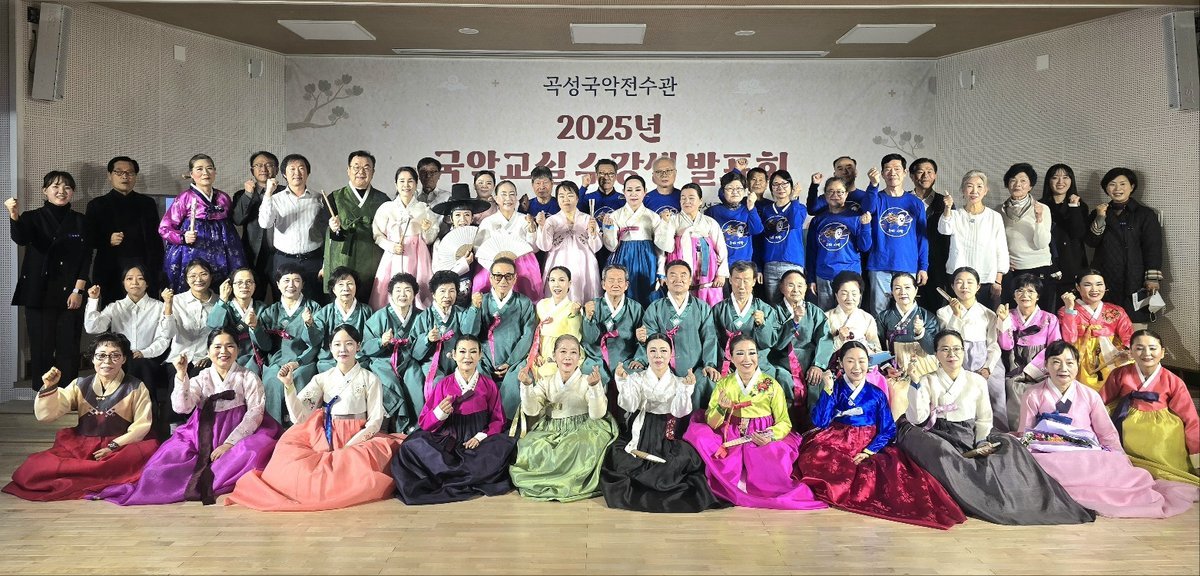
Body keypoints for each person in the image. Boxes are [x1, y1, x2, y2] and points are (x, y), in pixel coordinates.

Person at [896, 330, 1095, 525]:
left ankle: (1031, 501)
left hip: (970, 432)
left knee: (1012, 446)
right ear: (936, 354)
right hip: (939, 433)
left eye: (957, 349)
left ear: (964, 352)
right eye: (945, 349)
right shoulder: (927, 380)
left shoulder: (976, 380)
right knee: (943, 453)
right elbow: (917, 418)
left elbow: (984, 418)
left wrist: (981, 441)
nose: (951, 354)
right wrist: (915, 383)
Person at [92, 328, 282, 505]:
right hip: (200, 432)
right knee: (163, 463)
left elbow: (255, 412)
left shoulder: (248, 377)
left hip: (237, 430)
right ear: (208, 351)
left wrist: (229, 444)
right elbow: (182, 407)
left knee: (253, 453)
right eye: (217, 347)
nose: (223, 351)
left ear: (238, 350)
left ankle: (218, 476)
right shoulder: (201, 378)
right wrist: (182, 375)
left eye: (229, 346)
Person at [226, 324, 404, 511]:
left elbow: (375, 421)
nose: (343, 349)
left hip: (358, 436)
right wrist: (289, 386)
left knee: (354, 472)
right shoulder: (322, 378)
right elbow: (300, 417)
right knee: (299, 471)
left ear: (358, 346)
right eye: (337, 344)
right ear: (330, 347)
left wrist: (351, 446)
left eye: (349, 344)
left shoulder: (370, 379)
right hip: (325, 436)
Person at [794, 341, 966, 530]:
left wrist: (869, 451)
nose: (857, 367)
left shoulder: (876, 394)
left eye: (861, 361)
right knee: (818, 458)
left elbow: (888, 429)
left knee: (890, 474)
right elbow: (821, 421)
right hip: (838, 438)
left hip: (868, 441)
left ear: (868, 363)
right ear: (841, 363)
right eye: (850, 361)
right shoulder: (834, 388)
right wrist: (827, 389)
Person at [1017, 340, 1197, 517]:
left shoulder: (1090, 395)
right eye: (1056, 362)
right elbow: (1026, 432)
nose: (1063, 368)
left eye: (1070, 363)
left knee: (1117, 471)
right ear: (1046, 365)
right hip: (1049, 453)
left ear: (1078, 365)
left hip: (1086, 452)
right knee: (1038, 467)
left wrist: (1119, 456)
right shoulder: (1033, 394)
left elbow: (1106, 432)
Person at [2, 333, 157, 501]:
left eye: (115, 356)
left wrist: (113, 446)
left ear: (124, 359)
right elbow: (48, 414)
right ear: (93, 359)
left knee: (148, 458)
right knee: (34, 467)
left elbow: (141, 425)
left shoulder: (136, 387)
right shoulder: (80, 384)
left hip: (121, 446)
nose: (107, 361)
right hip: (82, 446)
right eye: (101, 355)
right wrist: (49, 387)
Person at [682, 335, 826, 511]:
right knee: (701, 436)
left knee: (774, 453)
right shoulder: (724, 384)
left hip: (761, 433)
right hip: (731, 433)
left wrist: (770, 435)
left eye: (751, 353)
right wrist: (721, 408)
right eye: (740, 353)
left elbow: (784, 422)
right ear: (731, 357)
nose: (747, 359)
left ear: (758, 355)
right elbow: (712, 423)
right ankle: (730, 486)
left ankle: (763, 488)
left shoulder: (771, 385)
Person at [600, 334, 725, 513]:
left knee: (679, 460)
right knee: (619, 458)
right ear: (646, 353)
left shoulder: (679, 381)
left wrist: (685, 390)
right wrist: (622, 382)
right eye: (653, 351)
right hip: (642, 431)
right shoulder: (636, 379)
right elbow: (630, 406)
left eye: (663, 351)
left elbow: (680, 412)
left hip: (668, 432)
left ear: (671, 353)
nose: (658, 356)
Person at [390, 335, 517, 504]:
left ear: (480, 355)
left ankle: (455, 475)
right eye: (462, 352)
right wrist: (440, 413)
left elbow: (498, 419)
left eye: (473, 352)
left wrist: (480, 437)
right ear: (454, 355)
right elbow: (425, 423)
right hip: (448, 438)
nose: (467, 357)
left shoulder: (489, 385)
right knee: (410, 447)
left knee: (503, 447)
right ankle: (461, 476)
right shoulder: (443, 384)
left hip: (478, 440)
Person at [7, 171, 91, 390]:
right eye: (55, 186)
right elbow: (20, 238)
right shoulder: (31, 217)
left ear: (73, 192)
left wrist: (78, 291)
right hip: (39, 290)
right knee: (41, 347)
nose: (61, 191)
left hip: (70, 291)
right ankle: (43, 394)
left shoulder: (80, 220)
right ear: (45, 191)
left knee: (69, 346)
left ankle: (68, 393)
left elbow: (85, 258)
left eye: (67, 187)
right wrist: (14, 215)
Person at [510, 335, 619, 501]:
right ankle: (549, 483)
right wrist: (526, 386)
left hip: (584, 427)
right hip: (551, 428)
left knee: (578, 445)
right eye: (563, 351)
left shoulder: (587, 381)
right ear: (554, 356)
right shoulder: (545, 382)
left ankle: (572, 483)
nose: (568, 356)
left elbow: (597, 414)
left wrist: (595, 387)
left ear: (579, 357)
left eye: (573, 352)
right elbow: (531, 411)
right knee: (532, 446)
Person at [1101, 330, 1199, 486]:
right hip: (1126, 427)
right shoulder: (1119, 374)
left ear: (1162, 352)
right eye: (1139, 348)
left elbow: (1191, 419)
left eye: (1153, 348)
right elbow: (1099, 403)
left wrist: (1196, 454)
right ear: (1131, 352)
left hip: (1161, 434)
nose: (1147, 353)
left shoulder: (1173, 381)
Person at [1086, 167, 1163, 325]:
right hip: (1105, 275)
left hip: (1135, 276)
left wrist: (1152, 278)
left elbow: (1153, 247)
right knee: (1105, 324)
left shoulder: (1145, 214)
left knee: (1135, 324)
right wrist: (1100, 218)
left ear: (1132, 186)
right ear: (1106, 188)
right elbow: (1091, 242)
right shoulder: (1098, 212)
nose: (1117, 188)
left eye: (1122, 184)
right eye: (1112, 184)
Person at [159, 154, 246, 292]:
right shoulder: (184, 198)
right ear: (191, 174)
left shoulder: (223, 197)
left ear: (215, 171)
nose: (205, 173)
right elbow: (164, 228)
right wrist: (183, 237)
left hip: (224, 250)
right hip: (193, 250)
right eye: (199, 169)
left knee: (226, 287)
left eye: (209, 168)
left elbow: (232, 220)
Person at [641, 260, 721, 409]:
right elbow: (649, 338)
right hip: (663, 368)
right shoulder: (655, 308)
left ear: (690, 280)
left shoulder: (702, 307)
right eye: (673, 275)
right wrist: (642, 357)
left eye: (683, 275)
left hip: (696, 369)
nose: (678, 279)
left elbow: (709, 337)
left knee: (707, 381)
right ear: (666, 280)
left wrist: (709, 364)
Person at [85, 156, 164, 306]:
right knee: (113, 313)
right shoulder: (97, 205)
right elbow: (88, 238)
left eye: (130, 173)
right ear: (109, 176)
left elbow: (156, 240)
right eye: (119, 172)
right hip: (112, 269)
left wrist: (159, 272)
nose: (125, 176)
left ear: (135, 176)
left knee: (147, 313)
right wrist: (107, 240)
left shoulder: (147, 203)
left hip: (144, 269)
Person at [937, 267, 1006, 431]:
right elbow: (948, 341)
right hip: (956, 361)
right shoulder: (943, 313)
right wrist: (956, 316)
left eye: (970, 282)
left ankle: (1000, 434)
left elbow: (993, 345)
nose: (964, 287)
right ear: (952, 286)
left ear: (978, 286)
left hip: (986, 362)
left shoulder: (988, 313)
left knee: (995, 399)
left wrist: (988, 368)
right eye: (959, 282)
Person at [83, 264, 171, 389]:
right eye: (129, 278)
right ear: (123, 283)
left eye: (140, 278)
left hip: (150, 360)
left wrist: (143, 353)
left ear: (147, 283)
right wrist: (93, 300)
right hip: (119, 361)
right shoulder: (115, 307)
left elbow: (164, 338)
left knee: (139, 365)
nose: (134, 282)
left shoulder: (158, 307)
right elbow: (92, 328)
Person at [407, 270, 483, 414]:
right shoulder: (424, 317)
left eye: (452, 291)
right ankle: (436, 419)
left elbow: (470, 334)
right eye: (442, 291)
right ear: (433, 294)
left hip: (458, 362)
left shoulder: (460, 312)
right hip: (432, 364)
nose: (447, 296)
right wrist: (427, 339)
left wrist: (474, 308)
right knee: (439, 383)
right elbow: (414, 353)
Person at [160, 259, 219, 438]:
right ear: (186, 279)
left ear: (211, 277)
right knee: (178, 376)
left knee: (197, 376)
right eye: (192, 275)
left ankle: (196, 429)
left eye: (203, 274)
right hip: (179, 356)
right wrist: (168, 306)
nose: (198, 279)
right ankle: (174, 430)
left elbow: (221, 334)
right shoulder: (176, 300)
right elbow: (168, 333)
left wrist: (210, 356)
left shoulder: (219, 302)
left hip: (206, 357)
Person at [863, 155, 928, 316]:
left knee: (906, 310)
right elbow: (867, 209)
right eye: (888, 169)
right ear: (882, 174)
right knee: (879, 311)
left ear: (905, 172)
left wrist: (923, 267)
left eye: (897, 169)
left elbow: (922, 238)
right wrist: (873, 185)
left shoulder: (915, 203)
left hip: (907, 264)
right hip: (879, 265)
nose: (892, 173)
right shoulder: (876, 198)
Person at [258, 154, 328, 304]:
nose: (297, 173)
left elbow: (327, 232)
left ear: (308, 173)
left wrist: (325, 264)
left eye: (301, 168)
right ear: (284, 174)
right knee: (285, 303)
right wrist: (268, 193)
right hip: (284, 259)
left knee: (314, 302)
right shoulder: (275, 199)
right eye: (292, 169)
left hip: (313, 260)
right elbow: (265, 223)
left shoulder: (319, 199)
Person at [257, 264, 321, 425]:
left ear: (303, 284)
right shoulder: (271, 311)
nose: (291, 285)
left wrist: (309, 325)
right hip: (276, 360)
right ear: (278, 284)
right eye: (286, 280)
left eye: (296, 280)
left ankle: (300, 426)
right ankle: (273, 427)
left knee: (299, 377)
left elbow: (316, 343)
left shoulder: (313, 308)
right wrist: (254, 328)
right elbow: (264, 345)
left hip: (304, 361)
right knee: (272, 379)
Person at [996, 274, 1061, 431]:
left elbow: (1054, 348)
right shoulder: (1008, 315)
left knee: (1046, 389)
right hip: (1015, 365)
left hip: (1042, 367)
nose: (1025, 295)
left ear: (1038, 296)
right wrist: (1003, 321)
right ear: (1014, 295)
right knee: (1012, 386)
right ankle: (1019, 432)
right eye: (1020, 290)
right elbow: (1006, 346)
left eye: (1030, 291)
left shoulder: (1049, 318)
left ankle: (1044, 431)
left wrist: (1033, 370)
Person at [769, 268, 835, 422]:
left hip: (810, 363)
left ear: (806, 288)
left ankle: (814, 426)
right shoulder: (773, 312)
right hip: (782, 363)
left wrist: (818, 365)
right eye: (790, 285)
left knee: (819, 379)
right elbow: (776, 343)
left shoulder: (815, 312)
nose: (796, 290)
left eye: (800, 285)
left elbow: (825, 339)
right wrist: (794, 322)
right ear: (781, 288)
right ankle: (786, 423)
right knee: (782, 379)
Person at [324, 151, 389, 305]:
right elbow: (327, 237)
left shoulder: (383, 200)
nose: (361, 171)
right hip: (343, 260)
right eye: (356, 167)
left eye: (366, 168)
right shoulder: (334, 197)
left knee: (370, 303)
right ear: (348, 170)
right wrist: (333, 228)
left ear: (373, 172)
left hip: (372, 262)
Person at [372, 166, 440, 310]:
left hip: (418, 255)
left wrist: (426, 230)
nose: (406, 185)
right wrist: (391, 246)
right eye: (402, 181)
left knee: (418, 288)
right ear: (396, 184)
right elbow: (377, 234)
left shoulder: (424, 208)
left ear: (416, 184)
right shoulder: (387, 208)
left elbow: (429, 239)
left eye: (410, 181)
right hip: (394, 254)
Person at [601, 175, 674, 306]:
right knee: (623, 295)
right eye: (629, 190)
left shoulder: (653, 216)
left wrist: (660, 271)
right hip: (623, 259)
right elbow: (611, 246)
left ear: (645, 192)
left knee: (647, 295)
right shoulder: (615, 215)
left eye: (638, 190)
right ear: (624, 192)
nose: (633, 194)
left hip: (648, 259)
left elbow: (660, 248)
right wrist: (608, 229)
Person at [939, 170, 1008, 309]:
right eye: (969, 186)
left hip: (985, 278)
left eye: (979, 186)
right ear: (963, 190)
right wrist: (947, 208)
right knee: (957, 316)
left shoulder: (994, 217)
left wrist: (998, 280)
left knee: (986, 317)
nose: (974, 191)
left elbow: (1001, 249)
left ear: (985, 190)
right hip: (958, 279)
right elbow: (944, 229)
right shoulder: (955, 215)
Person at [478, 258, 537, 418]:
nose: (503, 281)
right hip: (485, 359)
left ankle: (506, 422)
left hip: (515, 360)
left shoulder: (524, 303)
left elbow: (528, 335)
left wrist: (511, 361)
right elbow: (472, 333)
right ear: (491, 278)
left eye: (508, 276)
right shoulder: (482, 301)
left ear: (515, 278)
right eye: (498, 276)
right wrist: (474, 309)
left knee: (518, 378)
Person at [363, 273, 421, 433]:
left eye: (407, 290)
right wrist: (381, 342)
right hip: (383, 360)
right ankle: (398, 424)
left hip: (409, 359)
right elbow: (365, 346)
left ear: (414, 294)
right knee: (391, 383)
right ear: (391, 293)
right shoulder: (380, 316)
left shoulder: (420, 316)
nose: (403, 294)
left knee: (415, 381)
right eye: (398, 290)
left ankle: (415, 427)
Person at [1057, 269, 1133, 391]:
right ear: (1078, 287)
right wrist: (1069, 309)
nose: (1094, 289)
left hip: (1111, 355)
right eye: (1088, 285)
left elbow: (1128, 335)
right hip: (1080, 357)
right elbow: (1069, 339)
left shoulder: (1116, 310)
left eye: (1099, 284)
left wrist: (1126, 351)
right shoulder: (1066, 310)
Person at [805, 175, 873, 310]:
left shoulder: (856, 217)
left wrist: (865, 226)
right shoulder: (818, 220)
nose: (835, 195)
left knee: (850, 316)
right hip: (824, 276)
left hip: (850, 276)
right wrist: (811, 279)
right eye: (830, 191)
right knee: (826, 317)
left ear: (846, 194)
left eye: (839, 192)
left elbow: (865, 247)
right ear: (825, 195)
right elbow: (811, 252)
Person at [713, 262, 783, 387]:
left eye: (746, 280)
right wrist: (721, 363)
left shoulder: (765, 309)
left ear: (754, 281)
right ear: (730, 280)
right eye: (737, 279)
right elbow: (713, 340)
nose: (741, 286)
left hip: (758, 365)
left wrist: (763, 325)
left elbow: (769, 343)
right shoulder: (719, 309)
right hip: (728, 365)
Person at [581, 264, 646, 396]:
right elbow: (589, 339)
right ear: (603, 284)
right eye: (611, 280)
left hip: (626, 359)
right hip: (597, 359)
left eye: (620, 281)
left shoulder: (636, 308)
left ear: (626, 285)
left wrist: (640, 359)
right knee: (590, 384)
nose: (615, 284)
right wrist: (588, 318)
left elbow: (643, 340)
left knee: (636, 379)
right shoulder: (593, 306)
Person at [473, 180, 543, 300]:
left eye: (512, 194)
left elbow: (534, 249)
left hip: (523, 265)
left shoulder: (525, 219)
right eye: (504, 194)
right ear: (496, 198)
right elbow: (479, 251)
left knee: (526, 296)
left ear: (516, 198)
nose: (508, 198)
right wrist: (496, 269)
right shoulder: (488, 222)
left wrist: (532, 230)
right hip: (493, 265)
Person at [534, 180, 602, 302]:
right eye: (561, 196)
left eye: (570, 195)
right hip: (558, 262)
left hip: (584, 263)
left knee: (585, 296)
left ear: (577, 198)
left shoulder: (587, 219)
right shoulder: (552, 220)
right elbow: (544, 246)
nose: (566, 199)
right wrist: (542, 226)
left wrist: (593, 233)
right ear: (557, 199)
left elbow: (596, 247)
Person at [662, 183, 728, 305]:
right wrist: (665, 225)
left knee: (708, 305)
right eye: (683, 198)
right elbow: (666, 248)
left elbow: (721, 248)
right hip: (680, 269)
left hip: (706, 273)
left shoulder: (709, 222)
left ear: (700, 201)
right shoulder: (673, 220)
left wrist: (721, 274)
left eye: (691, 198)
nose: (687, 201)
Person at [1000, 163, 1053, 310]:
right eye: (1013, 180)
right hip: (1012, 270)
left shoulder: (1042, 208)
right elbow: (995, 243)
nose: (1017, 184)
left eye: (1023, 180)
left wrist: (1039, 218)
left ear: (1030, 186)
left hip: (1038, 267)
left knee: (1040, 313)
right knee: (1012, 312)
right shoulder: (999, 210)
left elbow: (1041, 243)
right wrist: (1003, 261)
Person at [231, 151, 281, 302]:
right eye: (258, 165)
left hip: (280, 254)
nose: (263, 169)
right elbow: (237, 220)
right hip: (253, 254)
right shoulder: (242, 194)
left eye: (268, 165)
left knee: (283, 295)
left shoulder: (285, 192)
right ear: (252, 170)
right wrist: (248, 195)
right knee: (254, 297)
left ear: (277, 169)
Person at [430, 184, 488, 305]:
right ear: (451, 218)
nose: (462, 219)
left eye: (467, 214)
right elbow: (438, 273)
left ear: (472, 217)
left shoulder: (481, 237)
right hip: (451, 293)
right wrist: (463, 264)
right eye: (457, 215)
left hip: (480, 290)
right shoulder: (441, 241)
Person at [1041, 163, 1089, 305]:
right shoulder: (1040, 206)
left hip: (1072, 262)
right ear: (1049, 181)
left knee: (1071, 309)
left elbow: (1078, 233)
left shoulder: (1080, 206)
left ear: (1071, 181)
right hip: (1048, 263)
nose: (1060, 181)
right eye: (1055, 177)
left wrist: (1073, 207)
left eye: (1065, 177)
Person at [909, 158, 952, 313]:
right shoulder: (904, 200)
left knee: (938, 306)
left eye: (930, 172)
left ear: (935, 176)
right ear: (912, 176)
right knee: (910, 304)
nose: (925, 176)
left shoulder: (944, 202)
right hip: (910, 260)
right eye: (920, 172)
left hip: (937, 262)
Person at [205, 268, 268, 376]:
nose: (244, 286)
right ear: (231, 286)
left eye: (249, 282)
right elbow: (214, 327)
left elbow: (267, 344)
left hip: (257, 356)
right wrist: (223, 299)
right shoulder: (225, 307)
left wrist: (255, 327)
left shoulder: (263, 308)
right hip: (228, 356)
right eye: (239, 282)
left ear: (255, 286)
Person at [757, 170, 808, 298]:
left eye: (784, 184)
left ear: (791, 186)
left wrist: (794, 198)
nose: (780, 188)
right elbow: (759, 239)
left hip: (792, 264)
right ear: (771, 188)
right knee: (773, 305)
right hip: (770, 264)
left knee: (794, 302)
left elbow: (795, 223)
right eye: (776, 184)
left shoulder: (799, 207)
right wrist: (759, 267)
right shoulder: (766, 210)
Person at [310, 267, 372, 373]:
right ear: (333, 289)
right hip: (330, 362)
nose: (346, 288)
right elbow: (314, 339)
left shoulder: (366, 311)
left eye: (350, 284)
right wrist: (310, 325)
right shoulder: (325, 312)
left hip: (358, 361)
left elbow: (371, 340)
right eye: (341, 284)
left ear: (356, 287)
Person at [877, 272, 938, 378]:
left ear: (916, 290)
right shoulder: (883, 317)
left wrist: (921, 332)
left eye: (907, 287)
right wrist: (887, 367)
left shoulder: (928, 317)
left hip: (924, 368)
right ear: (892, 292)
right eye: (897, 288)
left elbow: (933, 350)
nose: (902, 292)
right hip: (895, 368)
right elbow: (878, 346)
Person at [527, 267, 584, 381]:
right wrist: (536, 353)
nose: (556, 285)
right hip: (541, 353)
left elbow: (575, 338)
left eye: (561, 280)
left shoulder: (573, 307)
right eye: (552, 280)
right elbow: (535, 333)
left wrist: (574, 315)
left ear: (569, 283)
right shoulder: (541, 304)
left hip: (564, 354)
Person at [706, 170, 763, 274]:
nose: (735, 192)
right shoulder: (713, 211)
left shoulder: (748, 209)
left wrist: (751, 206)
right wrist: (712, 255)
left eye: (739, 188)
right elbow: (705, 239)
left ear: (745, 191)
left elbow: (757, 230)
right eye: (730, 188)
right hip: (720, 266)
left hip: (744, 267)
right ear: (723, 191)